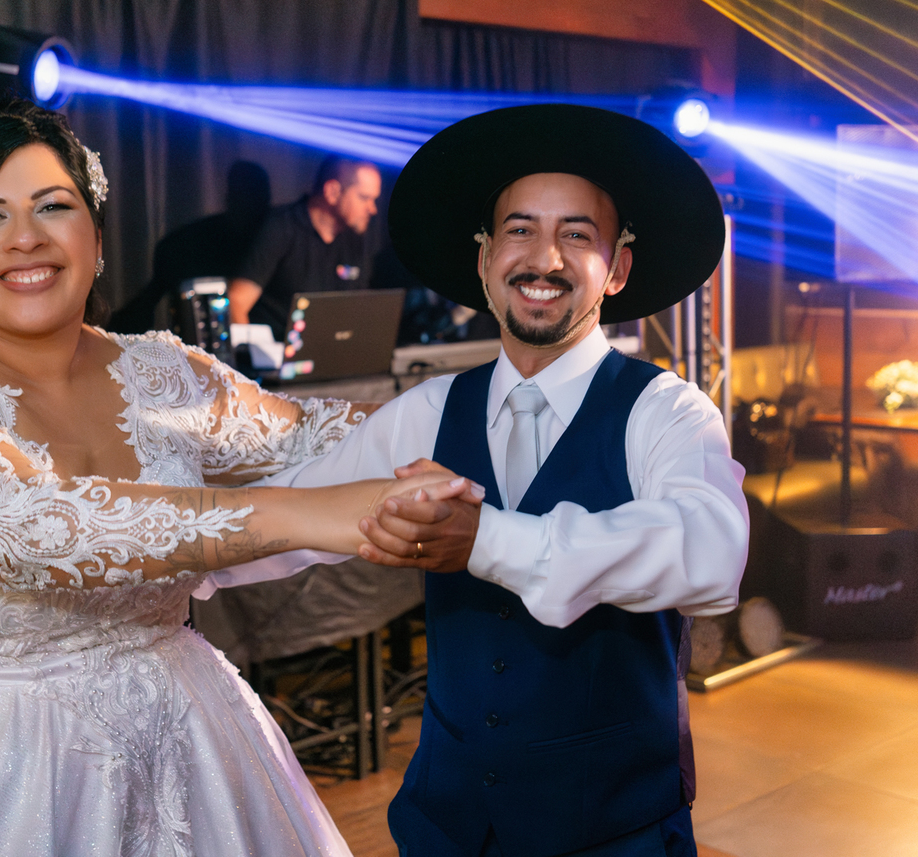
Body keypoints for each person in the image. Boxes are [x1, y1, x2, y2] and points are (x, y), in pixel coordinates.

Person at [0, 100, 479, 857]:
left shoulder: (162, 371)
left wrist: (498, 402)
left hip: (185, 750)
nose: (26, 237)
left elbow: (311, 432)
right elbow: (56, 529)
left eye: (54, 206)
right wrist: (322, 514)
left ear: (97, 234)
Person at [240, 104, 750, 856]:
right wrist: (144, 558)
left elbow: (712, 555)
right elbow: (291, 513)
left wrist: (487, 539)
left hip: (616, 829)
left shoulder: (666, 410)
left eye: (576, 235)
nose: (544, 259)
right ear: (483, 260)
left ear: (617, 269)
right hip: (444, 825)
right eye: (519, 229)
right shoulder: (429, 410)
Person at [227, 155, 381, 339]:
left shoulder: (354, 239)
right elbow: (236, 301)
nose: (372, 209)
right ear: (332, 192)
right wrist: (252, 351)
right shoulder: (281, 228)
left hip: (326, 351)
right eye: (364, 198)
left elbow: (358, 310)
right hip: (276, 351)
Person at [109, 160, 272, 334]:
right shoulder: (185, 243)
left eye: (255, 196)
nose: (249, 203)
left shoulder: (272, 240)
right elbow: (149, 299)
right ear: (230, 196)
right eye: (243, 194)